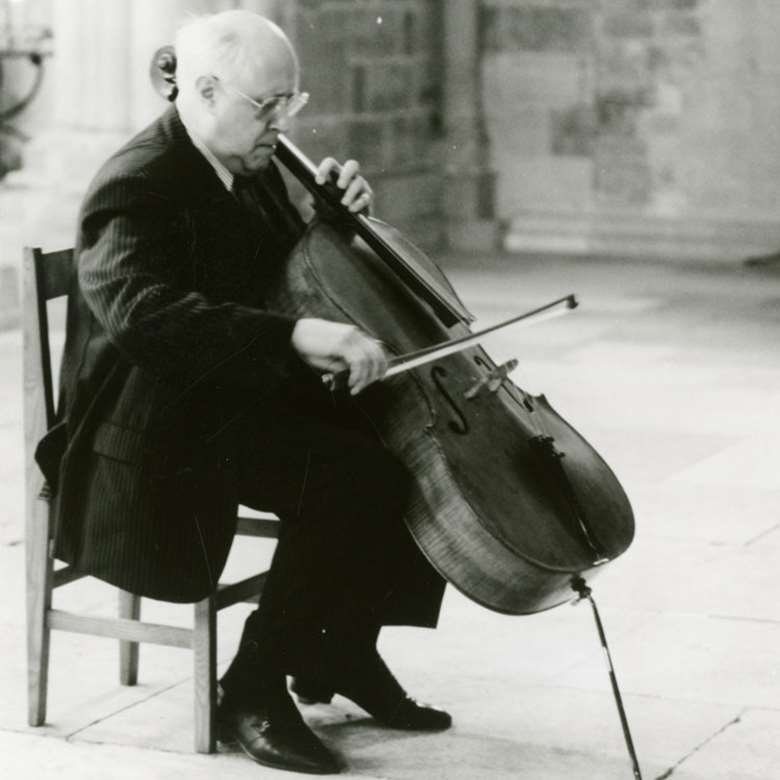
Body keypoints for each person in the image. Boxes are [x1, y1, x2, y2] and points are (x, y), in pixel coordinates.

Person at [37, 10, 449, 776]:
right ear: (202, 90)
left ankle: (344, 651)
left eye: (290, 102)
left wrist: (336, 220)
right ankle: (252, 688)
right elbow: (145, 316)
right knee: (343, 473)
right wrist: (293, 340)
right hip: (152, 430)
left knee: (392, 433)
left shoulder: (247, 164)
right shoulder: (136, 183)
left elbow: (280, 273)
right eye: (267, 106)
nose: (282, 123)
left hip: (227, 399)